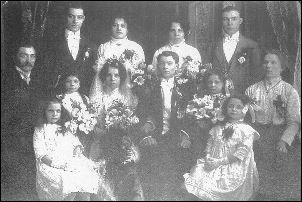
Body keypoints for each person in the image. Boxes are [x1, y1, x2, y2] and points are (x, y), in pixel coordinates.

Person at [139, 51, 196, 200]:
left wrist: (185, 135)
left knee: (174, 167)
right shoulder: (150, 85)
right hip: (157, 133)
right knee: (155, 166)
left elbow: (191, 115)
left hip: (177, 134)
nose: (165, 67)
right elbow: (145, 111)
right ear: (158, 66)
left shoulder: (186, 87)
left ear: (177, 66)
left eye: (169, 63)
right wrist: (148, 131)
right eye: (162, 63)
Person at [245, 49, 301, 200]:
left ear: (281, 67)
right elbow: (246, 119)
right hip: (257, 133)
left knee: (281, 163)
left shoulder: (289, 90)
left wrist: (285, 140)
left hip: (279, 133)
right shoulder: (252, 90)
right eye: (265, 62)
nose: (268, 66)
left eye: (273, 62)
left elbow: (294, 121)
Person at [183, 94, 260, 201]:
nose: (234, 109)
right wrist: (208, 157)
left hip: (233, 166)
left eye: (238, 107)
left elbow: (240, 154)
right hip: (212, 163)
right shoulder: (218, 127)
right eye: (231, 106)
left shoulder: (246, 131)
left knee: (217, 186)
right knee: (196, 177)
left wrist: (218, 163)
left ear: (244, 110)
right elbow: (210, 144)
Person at [89, 59, 144, 201]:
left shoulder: (130, 99)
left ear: (122, 78)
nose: (112, 79)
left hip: (124, 142)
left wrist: (125, 128)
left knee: (129, 173)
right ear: (103, 77)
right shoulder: (97, 99)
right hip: (102, 142)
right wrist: (101, 130)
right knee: (105, 178)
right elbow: (91, 125)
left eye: (117, 75)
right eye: (109, 75)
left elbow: (134, 125)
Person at [33, 98, 102, 201]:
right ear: (44, 112)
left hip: (68, 160)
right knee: (68, 180)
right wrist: (60, 164)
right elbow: (41, 154)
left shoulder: (64, 128)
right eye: (51, 111)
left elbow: (76, 143)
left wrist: (77, 150)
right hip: (50, 164)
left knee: (87, 174)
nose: (55, 114)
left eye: (58, 111)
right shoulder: (40, 130)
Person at [1, 42, 43, 198]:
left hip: (34, 136)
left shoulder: (38, 79)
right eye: (24, 55)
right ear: (15, 57)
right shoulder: (5, 79)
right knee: (15, 184)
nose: (29, 60)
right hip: (12, 138)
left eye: (32, 56)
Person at [42, 2, 97, 96]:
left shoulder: (91, 45)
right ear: (65, 17)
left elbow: (90, 75)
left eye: (79, 17)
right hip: (57, 95)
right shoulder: (52, 42)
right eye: (71, 16)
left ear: (83, 19)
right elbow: (46, 71)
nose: (75, 21)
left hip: (82, 96)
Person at [180, 68, 230, 171]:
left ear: (223, 83)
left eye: (217, 82)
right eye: (210, 82)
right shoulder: (198, 99)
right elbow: (189, 121)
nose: (212, 85)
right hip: (199, 136)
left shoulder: (228, 101)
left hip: (219, 137)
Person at [206, 6, 261, 94]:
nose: (230, 23)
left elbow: (256, 75)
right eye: (225, 19)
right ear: (221, 22)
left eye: (234, 19)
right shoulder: (212, 45)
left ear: (240, 21)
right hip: (217, 97)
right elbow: (208, 72)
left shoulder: (251, 46)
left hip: (242, 96)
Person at [56, 71, 93, 157]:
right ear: (64, 83)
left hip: (83, 131)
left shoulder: (84, 98)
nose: (72, 84)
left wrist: (87, 122)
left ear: (79, 84)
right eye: (68, 81)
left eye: (75, 81)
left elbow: (90, 113)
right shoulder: (61, 98)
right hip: (68, 130)